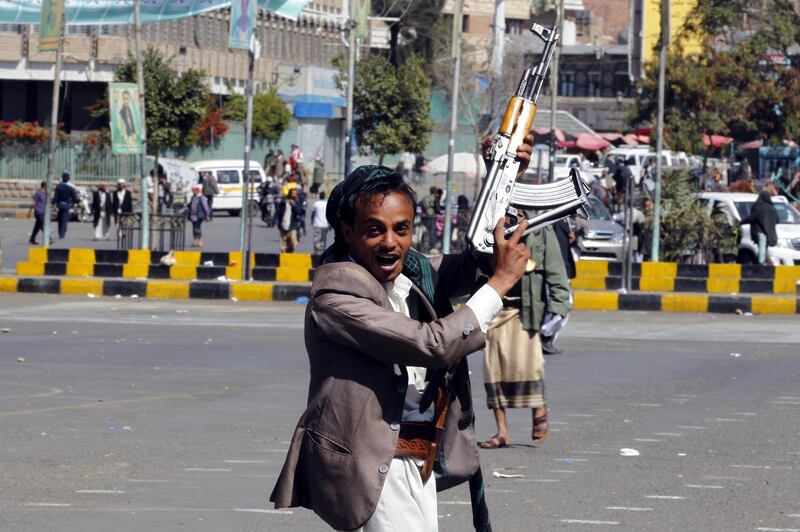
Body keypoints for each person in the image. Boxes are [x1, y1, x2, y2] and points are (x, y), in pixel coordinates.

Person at [270, 145, 534, 530]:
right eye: (375, 229)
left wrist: (505, 177)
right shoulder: (337, 299)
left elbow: (477, 257)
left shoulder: (414, 275)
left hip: (416, 461)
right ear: (349, 232)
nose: (390, 242)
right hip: (374, 467)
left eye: (401, 229)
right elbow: (434, 344)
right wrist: (500, 283)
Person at [479, 223, 571, 449]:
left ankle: (539, 407)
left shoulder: (541, 229)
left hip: (526, 310)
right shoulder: (489, 224)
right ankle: (502, 432)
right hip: (495, 308)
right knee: (494, 370)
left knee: (530, 367)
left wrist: (559, 304)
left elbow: (555, 269)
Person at [541, 217, 575, 355]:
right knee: (562, 305)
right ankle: (544, 335)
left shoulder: (564, 219)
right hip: (557, 272)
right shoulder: (554, 219)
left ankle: (547, 337)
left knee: (563, 306)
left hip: (562, 271)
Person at [741, 190, 779, 264]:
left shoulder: (758, 207)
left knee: (762, 252)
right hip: (770, 234)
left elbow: (751, 218)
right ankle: (762, 266)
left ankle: (764, 266)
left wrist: (740, 222)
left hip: (760, 232)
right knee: (764, 250)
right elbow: (777, 220)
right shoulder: (772, 208)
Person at [276, 186, 303, 253]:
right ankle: (283, 258)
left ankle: (291, 255)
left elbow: (299, 212)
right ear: (290, 194)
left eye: (295, 193)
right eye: (292, 193)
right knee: (283, 245)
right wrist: (277, 222)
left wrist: (294, 205)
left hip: (292, 226)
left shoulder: (298, 203)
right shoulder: (284, 202)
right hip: (283, 225)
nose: (294, 195)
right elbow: (278, 212)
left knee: (293, 243)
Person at [52, 171, 78, 239]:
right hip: (66, 205)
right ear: (68, 179)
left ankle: (60, 233)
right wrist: (78, 201)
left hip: (59, 205)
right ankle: (62, 234)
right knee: (64, 220)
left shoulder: (58, 187)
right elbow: (74, 198)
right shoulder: (70, 188)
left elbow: (55, 197)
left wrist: (53, 203)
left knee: (59, 219)